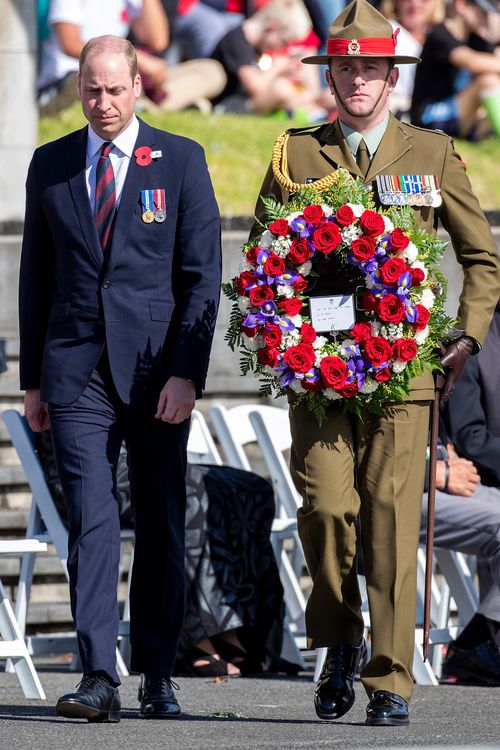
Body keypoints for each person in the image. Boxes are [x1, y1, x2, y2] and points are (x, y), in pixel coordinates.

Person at [251, 0, 500, 727]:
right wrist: (280, 330)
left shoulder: (431, 154)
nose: (357, 80)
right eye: (345, 68)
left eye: (370, 68)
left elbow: (482, 257)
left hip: (403, 374)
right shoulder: (296, 153)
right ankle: (338, 638)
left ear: (392, 76)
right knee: (328, 508)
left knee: (391, 521)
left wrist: (466, 336)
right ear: (329, 73)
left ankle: (389, 676)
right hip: (320, 370)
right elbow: (266, 259)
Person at [19, 34, 221, 722]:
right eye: (91, 90)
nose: (103, 103)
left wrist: (186, 375)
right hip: (76, 373)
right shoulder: (50, 165)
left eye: (114, 89)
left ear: (138, 87)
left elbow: (202, 281)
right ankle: (98, 674)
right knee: (92, 520)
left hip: (155, 372)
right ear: (78, 91)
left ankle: (158, 673)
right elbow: (34, 276)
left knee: (161, 522)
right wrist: (33, 382)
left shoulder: (181, 160)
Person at [38, 0, 226, 115]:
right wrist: (141, 61)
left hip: (123, 75)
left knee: (212, 71)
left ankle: (146, 104)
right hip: (76, 74)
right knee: (96, 82)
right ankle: (153, 103)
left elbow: (158, 40)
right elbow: (70, 43)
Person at [420, 440, 500, 686]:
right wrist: (432, 472)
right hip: (399, 489)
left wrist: (443, 449)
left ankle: (474, 644)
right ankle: (477, 644)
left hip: (440, 469)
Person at [210, 0, 326, 117]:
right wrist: (278, 68)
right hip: (227, 104)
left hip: (247, 102)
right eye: (284, 41)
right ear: (272, 27)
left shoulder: (260, 45)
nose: (283, 48)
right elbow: (256, 87)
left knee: (290, 90)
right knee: (281, 90)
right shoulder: (237, 41)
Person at [411, 0, 500, 139]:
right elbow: (472, 62)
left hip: (457, 112)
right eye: (482, 12)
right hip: (429, 119)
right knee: (488, 81)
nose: (487, 18)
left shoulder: (475, 38)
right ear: (461, 5)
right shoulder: (439, 34)